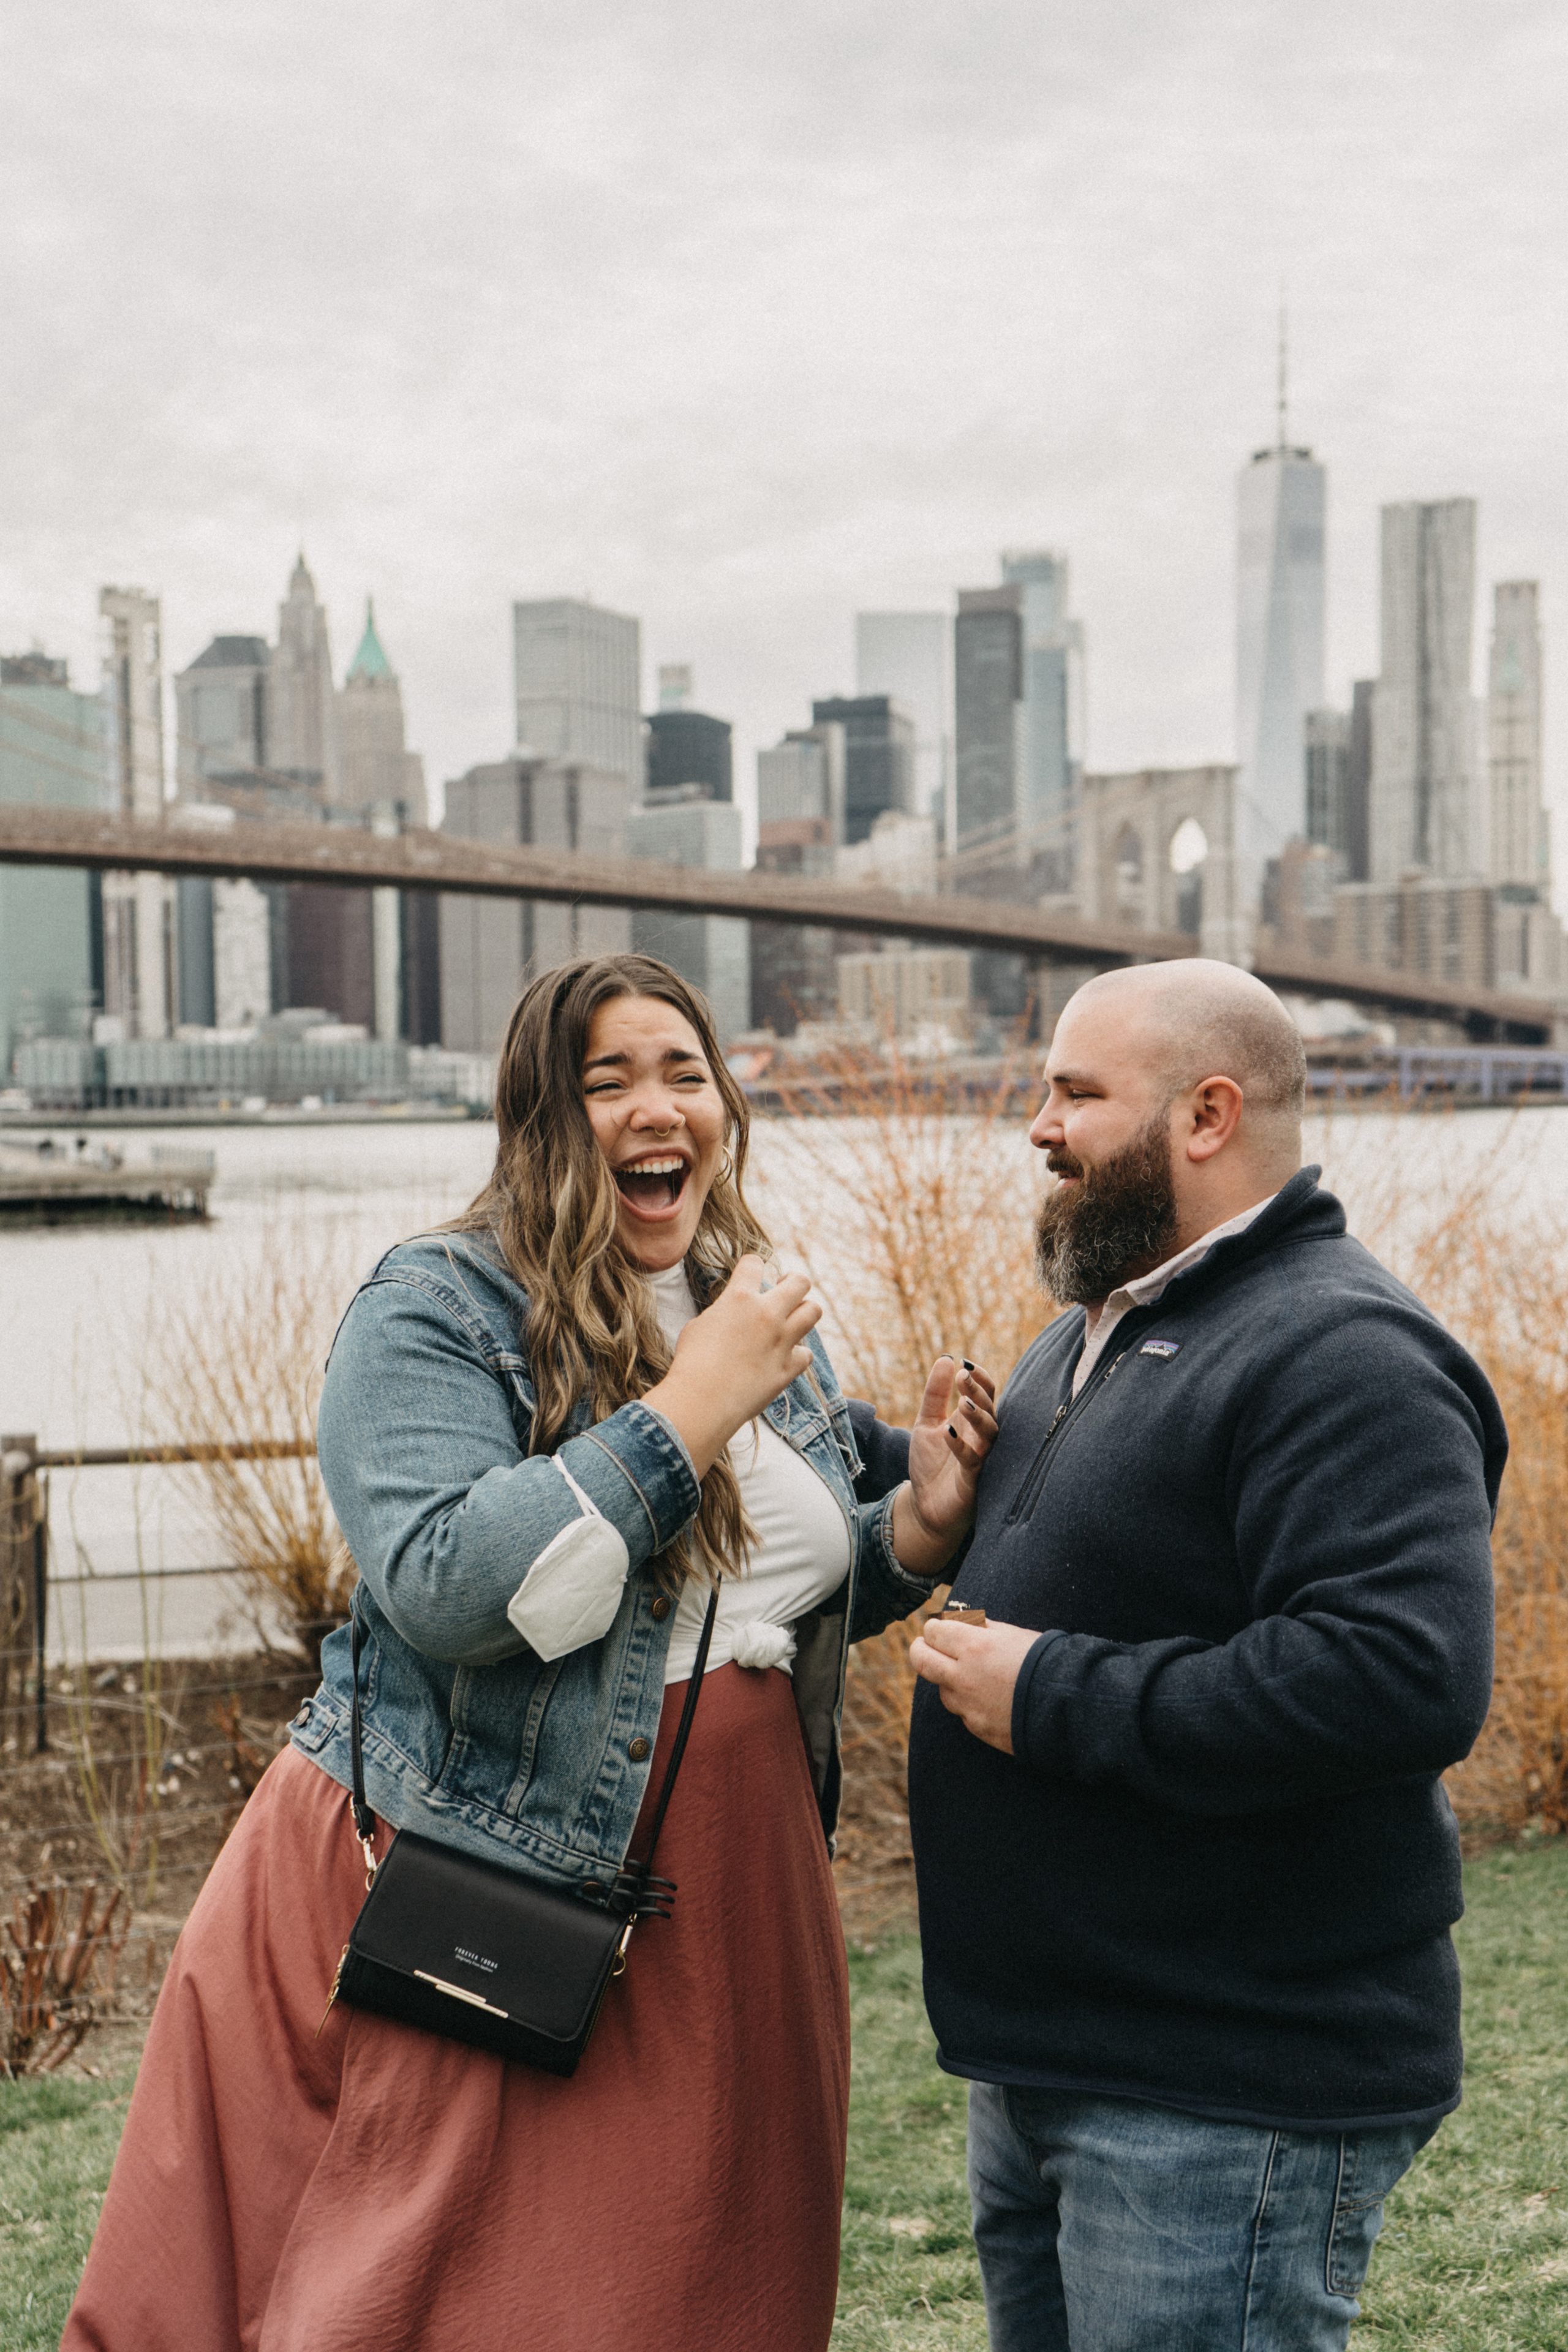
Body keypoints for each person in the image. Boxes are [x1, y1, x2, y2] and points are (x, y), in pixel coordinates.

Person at [65, 952, 997, 2352]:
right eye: (606, 1078)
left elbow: (761, 1602)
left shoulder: (748, 1305)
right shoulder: (435, 1308)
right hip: (484, 1863)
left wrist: (916, 1525)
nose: (654, 1107)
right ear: (535, 1118)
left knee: (703, 2290)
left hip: (739, 1897)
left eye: (683, 1072)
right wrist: (685, 1411)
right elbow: (447, 1587)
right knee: (458, 2292)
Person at [907, 957, 1504, 2352]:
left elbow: (1397, 1672)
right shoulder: (1096, 1331)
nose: (1035, 1128)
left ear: (1204, 1114)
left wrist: (1047, 1692)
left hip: (1219, 2089)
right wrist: (927, 1495)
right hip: (1057, 2060)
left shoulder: (1337, 1349)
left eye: (1072, 1093)